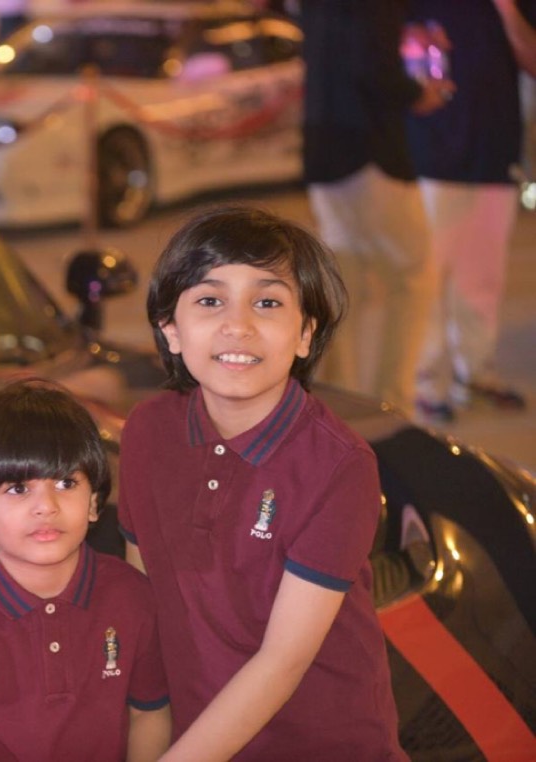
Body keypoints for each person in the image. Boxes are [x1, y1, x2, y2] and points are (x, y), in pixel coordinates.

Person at [120, 205, 406, 759]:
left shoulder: (340, 465)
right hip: (195, 736)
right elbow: (143, 601)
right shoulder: (148, 431)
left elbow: (282, 662)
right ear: (171, 329)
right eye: (210, 300)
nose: (239, 325)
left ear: (305, 334)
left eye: (268, 302)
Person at [0, 379, 171, 762]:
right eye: (18, 488)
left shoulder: (131, 595)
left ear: (94, 503)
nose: (47, 506)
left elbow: (150, 711)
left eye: (66, 482)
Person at [300, 0, 452, 414]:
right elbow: (372, 67)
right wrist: (417, 92)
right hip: (369, 149)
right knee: (412, 275)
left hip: (324, 147)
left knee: (347, 284)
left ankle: (340, 406)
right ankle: (390, 406)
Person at [407, 0, 536, 422]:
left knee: (483, 277)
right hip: (430, 154)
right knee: (428, 275)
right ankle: (424, 383)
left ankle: (477, 375)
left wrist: (508, 11)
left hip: (494, 153)